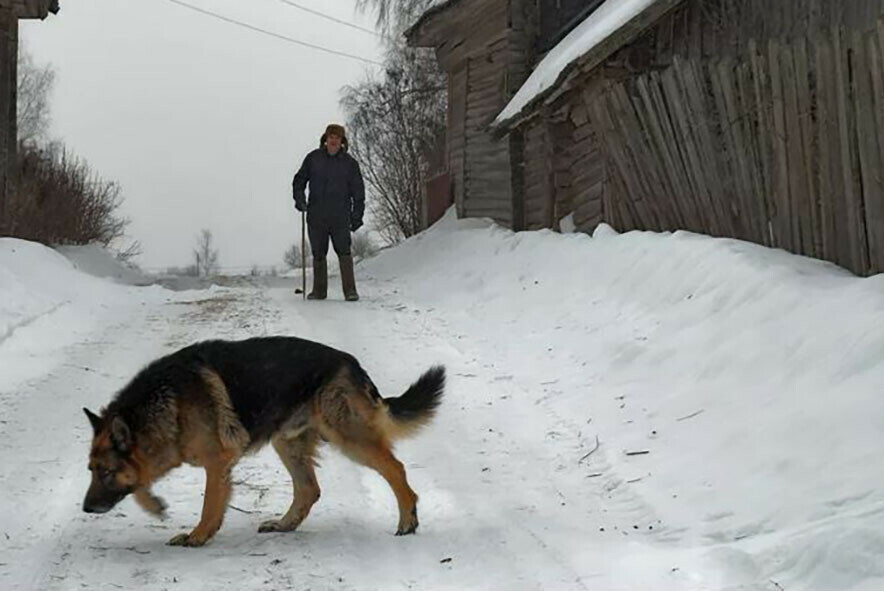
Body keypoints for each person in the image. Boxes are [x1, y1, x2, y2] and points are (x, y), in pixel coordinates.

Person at [292, 123, 365, 301]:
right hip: (316, 215)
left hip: (341, 216)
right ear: (325, 139)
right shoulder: (313, 159)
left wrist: (357, 216)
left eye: (337, 138)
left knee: (344, 252)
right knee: (318, 253)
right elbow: (299, 181)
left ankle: (350, 291)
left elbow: (358, 192)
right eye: (331, 137)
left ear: (342, 141)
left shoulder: (350, 164)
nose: (334, 141)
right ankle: (319, 291)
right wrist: (300, 199)